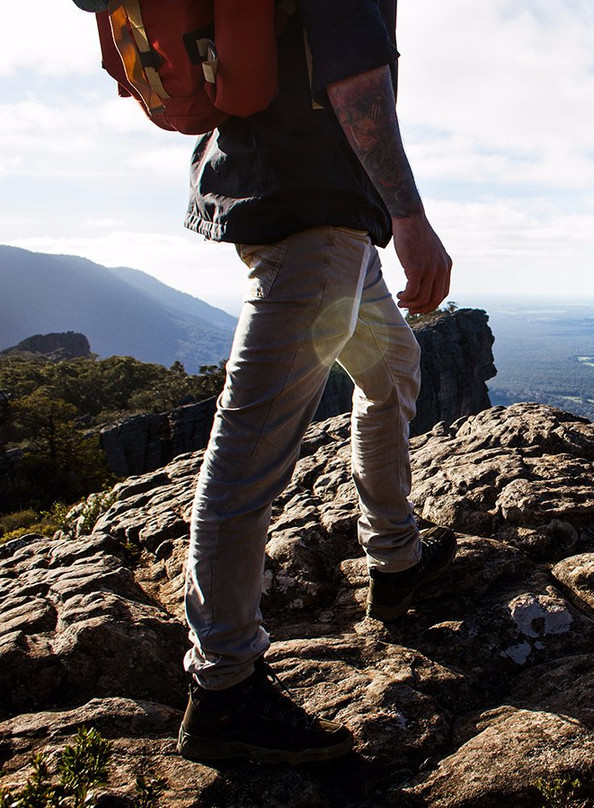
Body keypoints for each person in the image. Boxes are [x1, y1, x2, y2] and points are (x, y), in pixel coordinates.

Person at [174, 0, 456, 764]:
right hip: (317, 224)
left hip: (319, 217)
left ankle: (395, 563)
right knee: (248, 452)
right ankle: (224, 688)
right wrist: (412, 218)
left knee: (393, 364)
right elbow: (354, 80)